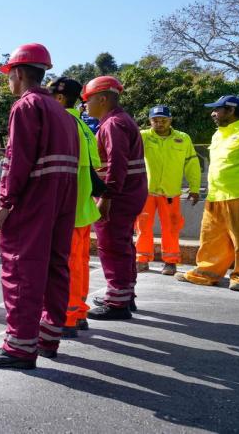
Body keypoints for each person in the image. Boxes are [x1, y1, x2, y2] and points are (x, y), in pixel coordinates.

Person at [0, 43, 78, 369]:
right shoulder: (62, 112)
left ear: (17, 73)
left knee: (21, 268)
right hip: (62, 198)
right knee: (54, 266)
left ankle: (19, 348)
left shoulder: (26, 106)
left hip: (33, 198)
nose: (8, 82)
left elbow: (17, 160)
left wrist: (5, 203)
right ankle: (47, 337)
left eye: (9, 76)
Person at [175, 95, 239, 292]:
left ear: (231, 110)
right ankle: (206, 273)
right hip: (216, 197)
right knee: (212, 240)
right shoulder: (218, 134)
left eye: (217, 109)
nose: (213, 113)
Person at [83, 76, 148, 320]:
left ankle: (117, 301)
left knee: (111, 245)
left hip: (119, 195)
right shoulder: (122, 120)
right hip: (130, 192)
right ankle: (125, 293)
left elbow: (116, 163)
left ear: (102, 98)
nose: (85, 105)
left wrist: (107, 196)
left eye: (87, 100)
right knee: (122, 244)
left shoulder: (113, 124)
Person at [47, 77, 100, 338]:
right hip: (83, 207)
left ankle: (66, 317)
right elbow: (95, 164)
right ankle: (78, 313)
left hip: (66, 209)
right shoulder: (85, 126)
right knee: (79, 263)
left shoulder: (60, 123)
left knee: (64, 265)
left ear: (58, 98)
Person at [134, 105, 201, 276]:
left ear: (170, 120)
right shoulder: (143, 137)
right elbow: (130, 159)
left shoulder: (182, 138)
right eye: (155, 120)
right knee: (143, 226)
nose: (160, 123)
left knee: (171, 227)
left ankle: (170, 262)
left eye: (163, 120)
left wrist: (194, 188)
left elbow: (192, 163)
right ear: (150, 121)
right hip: (146, 192)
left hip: (171, 192)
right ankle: (141, 259)